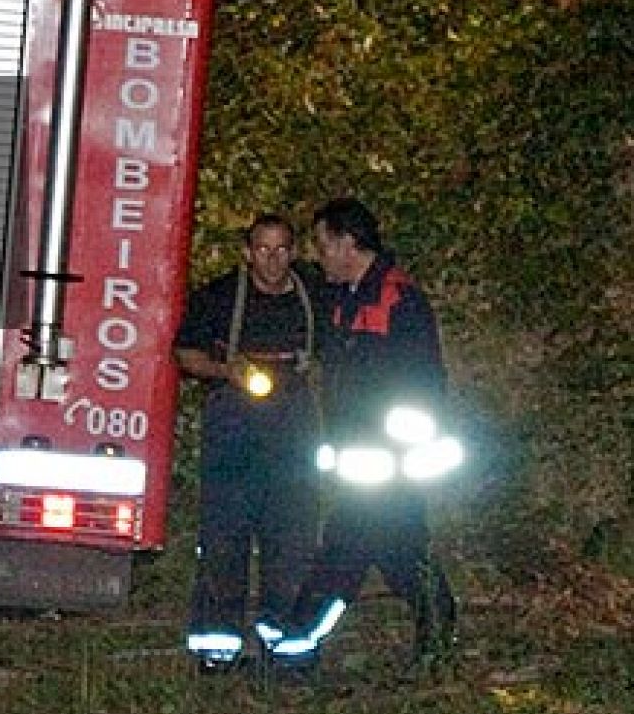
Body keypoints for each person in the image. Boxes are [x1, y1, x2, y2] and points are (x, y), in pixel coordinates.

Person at [269, 198, 457, 672]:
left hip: (389, 463)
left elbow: (426, 385)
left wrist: (399, 447)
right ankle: (434, 643)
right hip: (359, 459)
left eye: (323, 244)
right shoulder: (342, 299)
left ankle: (295, 649)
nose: (320, 255)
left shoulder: (400, 302)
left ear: (348, 243)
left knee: (348, 553)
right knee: (396, 554)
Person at [174, 213, 321, 672]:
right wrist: (226, 372)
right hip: (235, 426)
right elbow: (186, 353)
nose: (272, 259)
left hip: (294, 425)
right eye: (263, 249)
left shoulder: (312, 295)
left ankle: (287, 648)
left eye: (281, 249)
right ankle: (218, 647)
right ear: (247, 252)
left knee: (292, 534)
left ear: (294, 251)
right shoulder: (219, 297)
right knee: (225, 533)